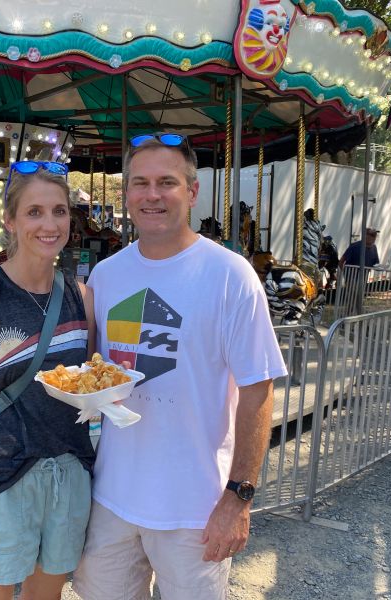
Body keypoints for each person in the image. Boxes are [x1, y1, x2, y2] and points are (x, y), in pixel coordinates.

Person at [72, 134, 287, 600]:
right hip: (112, 498)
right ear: (126, 193)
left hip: (196, 509)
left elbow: (258, 390)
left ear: (191, 192)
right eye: (140, 183)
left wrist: (240, 497)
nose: (152, 195)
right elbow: (94, 372)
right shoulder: (107, 275)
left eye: (166, 182)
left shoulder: (230, 275)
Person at [0, 161, 96, 599]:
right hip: (0, 481)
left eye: (60, 211)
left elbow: (88, 387)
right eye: (34, 212)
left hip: (68, 476)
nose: (50, 224)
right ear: (9, 220)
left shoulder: (81, 297)